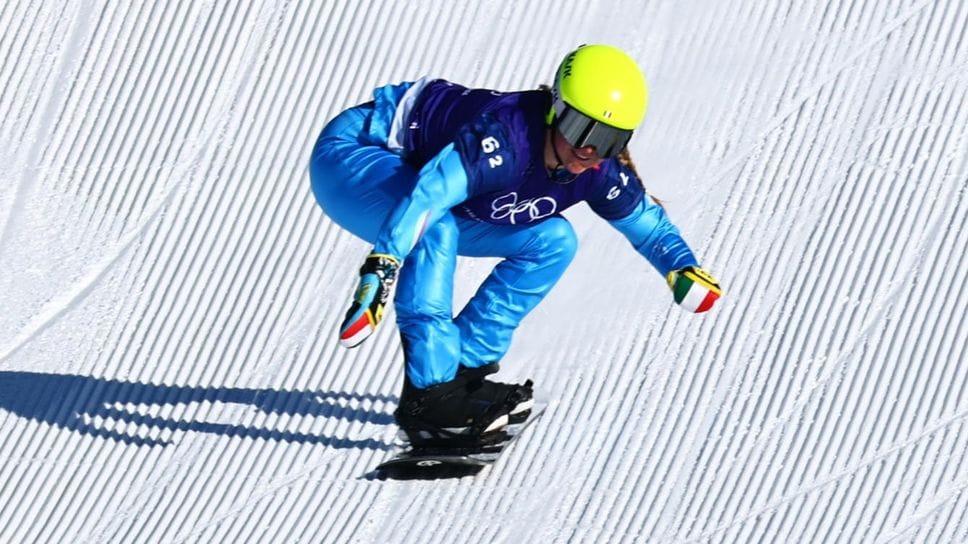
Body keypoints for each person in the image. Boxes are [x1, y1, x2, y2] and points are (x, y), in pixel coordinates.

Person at [309, 44, 721, 447]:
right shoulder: (505, 141)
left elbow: (650, 228)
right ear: (556, 109)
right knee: (437, 228)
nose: (589, 152)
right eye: (582, 130)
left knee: (554, 240)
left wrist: (682, 267)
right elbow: (429, 198)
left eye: (610, 140)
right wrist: (382, 266)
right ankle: (430, 397)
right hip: (353, 154)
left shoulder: (598, 170)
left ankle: (462, 369)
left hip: (418, 184)